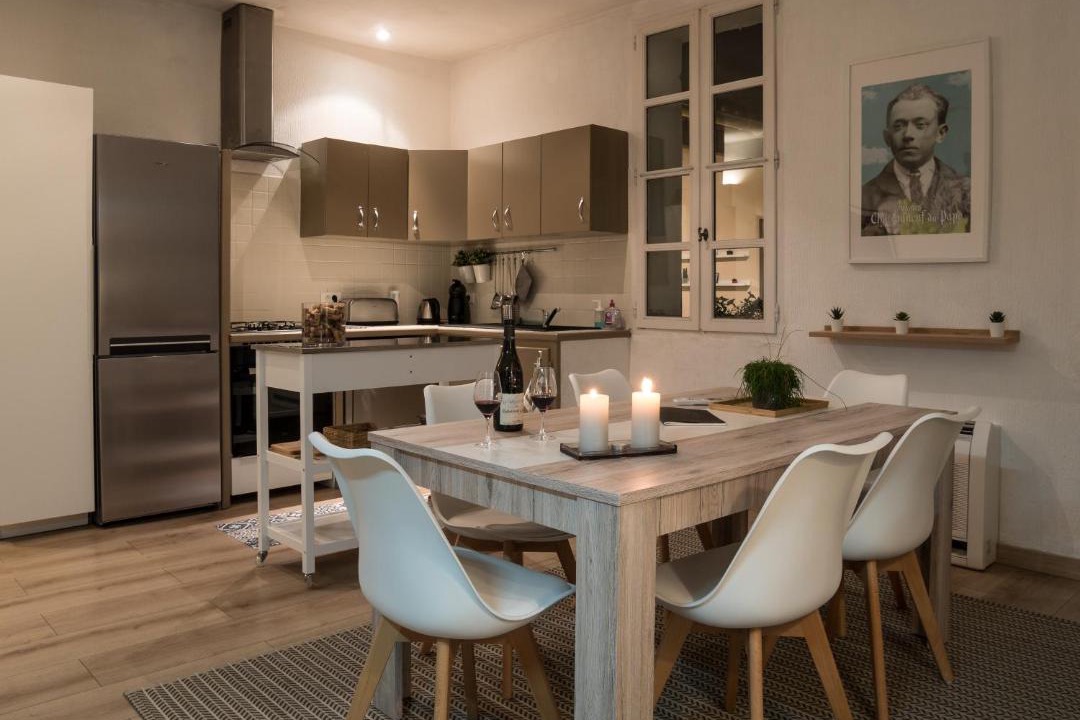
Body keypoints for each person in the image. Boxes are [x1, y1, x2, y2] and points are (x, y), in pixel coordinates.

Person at [861, 83, 970, 236]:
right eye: (898, 126)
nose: (908, 135)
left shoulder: (966, 192)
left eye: (920, 125)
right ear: (887, 137)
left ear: (941, 133)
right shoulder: (864, 196)